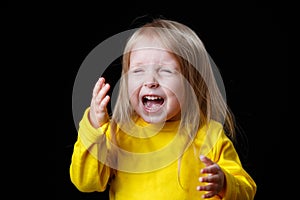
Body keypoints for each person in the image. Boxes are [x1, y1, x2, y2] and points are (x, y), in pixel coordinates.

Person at [69, 18, 257, 199]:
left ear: (191, 83)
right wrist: (94, 125)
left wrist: (224, 183)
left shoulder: (210, 135)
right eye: (137, 71)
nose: (150, 81)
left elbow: (247, 191)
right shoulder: (118, 134)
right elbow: (86, 183)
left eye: (165, 71)